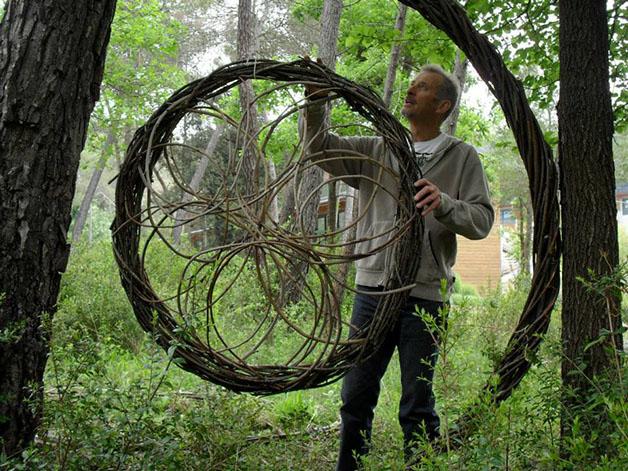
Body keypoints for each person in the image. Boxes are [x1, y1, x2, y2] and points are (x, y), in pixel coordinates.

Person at [302, 63, 494, 470]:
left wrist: (445, 204)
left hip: (425, 297)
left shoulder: (461, 158)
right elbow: (320, 148)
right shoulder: (379, 148)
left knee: (417, 405)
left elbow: (481, 221)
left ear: (442, 106)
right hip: (372, 292)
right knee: (355, 396)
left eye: (422, 88)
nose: (410, 91)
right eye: (411, 85)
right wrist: (316, 103)